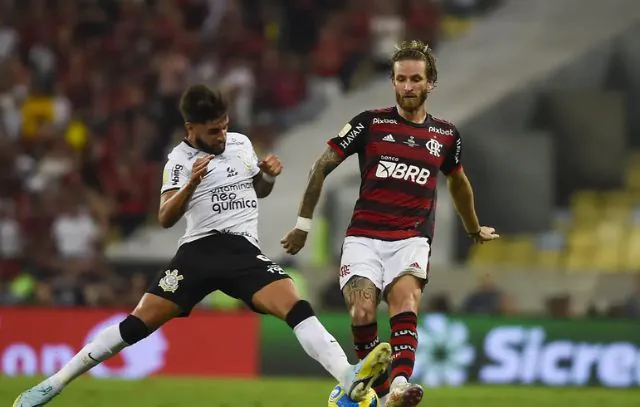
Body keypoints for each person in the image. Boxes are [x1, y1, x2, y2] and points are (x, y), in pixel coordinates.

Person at [14, 85, 392, 407]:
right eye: (213, 131)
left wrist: (267, 176)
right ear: (190, 128)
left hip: (243, 251)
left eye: (224, 127)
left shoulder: (241, 144)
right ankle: (55, 382)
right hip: (198, 252)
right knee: (135, 325)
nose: (222, 136)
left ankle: (347, 378)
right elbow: (165, 217)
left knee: (297, 306)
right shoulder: (178, 161)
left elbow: (257, 192)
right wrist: (192, 185)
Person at [281, 41, 499, 407]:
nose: (408, 86)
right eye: (401, 79)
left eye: (416, 79)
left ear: (431, 83)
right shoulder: (369, 123)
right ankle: (382, 396)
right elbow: (321, 166)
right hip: (364, 237)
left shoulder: (445, 136)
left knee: (405, 304)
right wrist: (303, 224)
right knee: (362, 310)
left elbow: (458, 183)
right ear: (392, 82)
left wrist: (473, 228)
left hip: (411, 238)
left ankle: (398, 386)